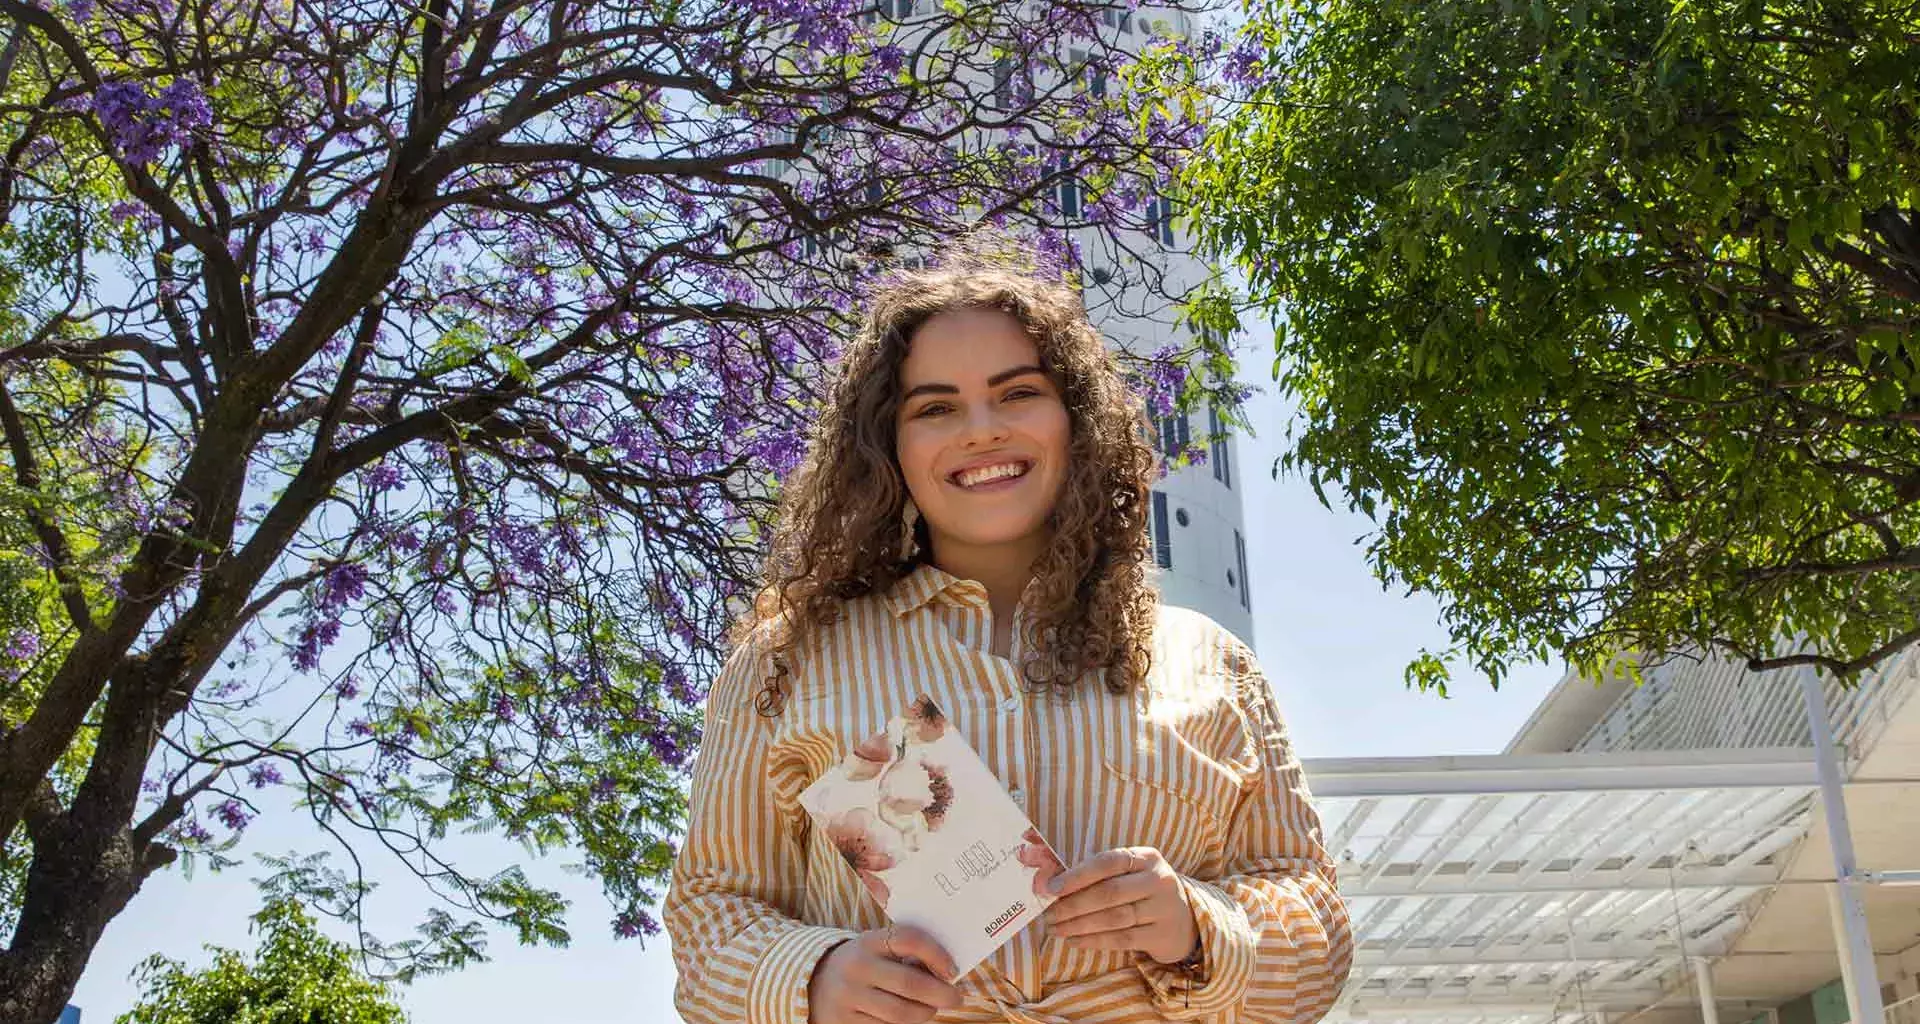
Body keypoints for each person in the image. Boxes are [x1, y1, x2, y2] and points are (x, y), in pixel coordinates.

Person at [663, 239, 1353, 1024]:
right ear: (889, 449)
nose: (981, 430)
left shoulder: (1212, 665)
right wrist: (812, 978)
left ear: (1077, 422)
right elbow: (710, 918)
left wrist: (1198, 926)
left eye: (1017, 392)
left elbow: (1318, 932)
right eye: (935, 408)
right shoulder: (786, 661)